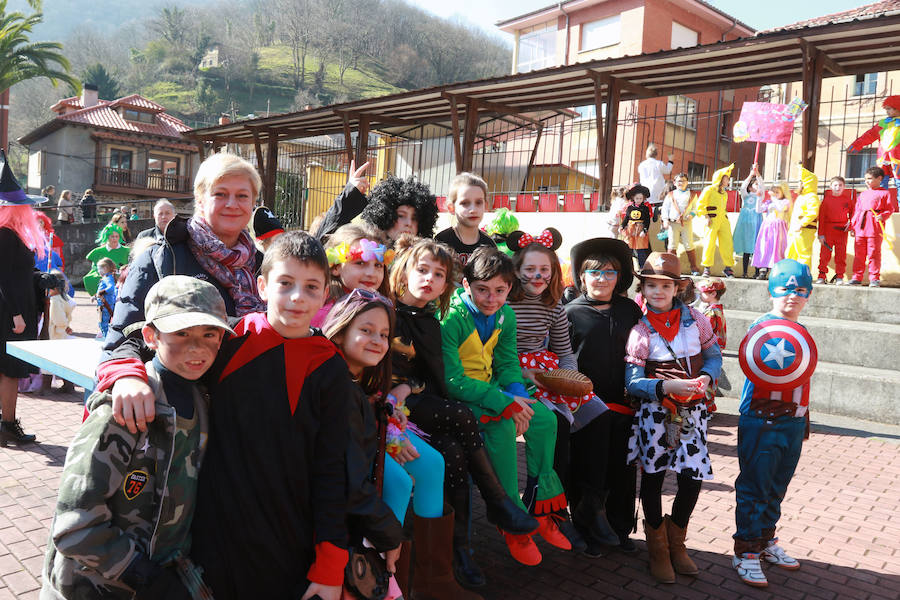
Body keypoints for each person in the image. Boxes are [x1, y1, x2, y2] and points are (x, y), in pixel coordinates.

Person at [42, 276, 234, 600]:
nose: (196, 347)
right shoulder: (124, 411)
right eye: (181, 333)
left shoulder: (202, 403)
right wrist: (145, 577)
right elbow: (75, 526)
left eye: (209, 333)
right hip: (96, 587)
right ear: (150, 335)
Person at [387, 235, 536, 589]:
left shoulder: (427, 317)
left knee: (454, 453)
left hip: (416, 400)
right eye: (422, 270)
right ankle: (497, 502)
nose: (429, 280)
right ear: (403, 271)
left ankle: (458, 552)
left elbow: (427, 374)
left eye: (439, 275)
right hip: (390, 407)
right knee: (463, 417)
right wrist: (401, 389)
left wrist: (409, 386)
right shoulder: (387, 309)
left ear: (447, 284)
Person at [97, 152, 266, 434]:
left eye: (242, 196)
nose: (232, 204)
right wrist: (126, 375)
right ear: (200, 199)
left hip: (245, 419)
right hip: (177, 421)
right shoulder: (160, 259)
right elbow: (124, 336)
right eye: (220, 194)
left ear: (253, 203)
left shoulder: (263, 268)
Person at [440, 247, 572, 567]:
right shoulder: (451, 317)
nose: (491, 298)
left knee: (544, 420)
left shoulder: (505, 314)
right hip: (459, 399)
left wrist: (518, 396)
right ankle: (509, 518)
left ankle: (542, 508)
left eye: (499, 291)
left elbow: (508, 361)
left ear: (509, 289)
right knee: (500, 424)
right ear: (466, 284)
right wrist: (505, 402)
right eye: (482, 290)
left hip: (494, 391)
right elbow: (451, 380)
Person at [506, 229, 619, 556]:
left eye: (545, 269)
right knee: (559, 422)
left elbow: (564, 351)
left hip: (549, 368)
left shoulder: (554, 306)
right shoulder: (507, 302)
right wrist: (528, 374)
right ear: (516, 270)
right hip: (516, 370)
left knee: (599, 415)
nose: (538, 276)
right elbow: (501, 350)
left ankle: (590, 503)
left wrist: (572, 378)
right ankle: (553, 508)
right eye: (530, 269)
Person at [624, 252, 722, 584]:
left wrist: (707, 377)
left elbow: (713, 355)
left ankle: (677, 543)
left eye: (665, 286)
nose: (657, 292)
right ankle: (658, 549)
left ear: (677, 288)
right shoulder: (639, 329)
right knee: (653, 479)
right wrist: (666, 385)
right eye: (651, 285)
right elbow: (633, 382)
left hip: (692, 413)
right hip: (656, 414)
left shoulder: (698, 319)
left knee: (692, 478)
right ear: (644, 288)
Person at [732, 259, 815, 588]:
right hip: (761, 418)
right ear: (771, 291)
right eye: (785, 289)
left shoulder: (802, 331)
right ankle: (746, 551)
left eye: (801, 290)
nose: (793, 296)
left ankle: (765, 541)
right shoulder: (763, 329)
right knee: (755, 486)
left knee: (777, 486)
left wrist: (802, 416)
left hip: (791, 421)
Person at [565, 238, 643, 553]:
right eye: (594, 272)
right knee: (586, 468)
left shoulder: (630, 310)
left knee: (621, 469)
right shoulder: (570, 313)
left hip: (624, 405)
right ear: (582, 277)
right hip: (585, 408)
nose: (602, 279)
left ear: (620, 277)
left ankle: (620, 528)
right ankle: (585, 529)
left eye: (610, 273)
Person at [0, 150, 47, 445]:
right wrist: (17, 314)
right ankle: (8, 424)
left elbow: (18, 275)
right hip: (9, 314)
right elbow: (3, 279)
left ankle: (5, 423)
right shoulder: (5, 234)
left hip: (13, 311)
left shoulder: (10, 234)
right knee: (10, 371)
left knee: (7, 370)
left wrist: (42, 280)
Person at [314, 223, 392, 328]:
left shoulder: (384, 308)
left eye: (378, 265)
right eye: (360, 263)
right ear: (336, 267)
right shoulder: (324, 314)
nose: (371, 273)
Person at [435, 172, 496, 268]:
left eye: (478, 202)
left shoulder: (489, 245)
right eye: (465, 203)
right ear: (451, 208)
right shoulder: (441, 241)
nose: (473, 210)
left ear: (486, 206)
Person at [849, 166, 895, 287]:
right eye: (866, 179)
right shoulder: (863, 194)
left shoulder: (885, 193)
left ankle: (874, 278)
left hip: (874, 228)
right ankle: (856, 277)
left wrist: (882, 216)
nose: (867, 181)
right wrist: (853, 226)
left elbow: (890, 209)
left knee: (874, 253)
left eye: (870, 179)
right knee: (859, 254)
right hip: (861, 228)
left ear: (879, 178)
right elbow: (857, 211)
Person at [847, 95, 900, 195]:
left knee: (899, 182)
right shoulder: (882, 123)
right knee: (881, 182)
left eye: (889, 109)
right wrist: (857, 145)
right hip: (883, 159)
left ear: (897, 108)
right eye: (886, 109)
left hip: (898, 158)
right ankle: (881, 204)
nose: (887, 111)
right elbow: (869, 135)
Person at [361, 175, 440, 241]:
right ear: (384, 216)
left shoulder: (424, 257)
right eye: (401, 216)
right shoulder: (368, 254)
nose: (409, 223)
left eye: (414, 218)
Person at [694, 277, 727, 413]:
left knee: (706, 377)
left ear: (713, 294)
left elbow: (703, 330)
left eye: (703, 292)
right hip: (713, 348)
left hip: (708, 349)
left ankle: (706, 408)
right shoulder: (714, 309)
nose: (699, 295)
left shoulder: (712, 312)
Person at [697, 164, 736, 278]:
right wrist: (706, 216)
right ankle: (707, 268)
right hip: (712, 220)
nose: (728, 180)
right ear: (720, 178)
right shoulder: (708, 189)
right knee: (709, 243)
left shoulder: (725, 193)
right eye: (726, 177)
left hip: (723, 220)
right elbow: (700, 204)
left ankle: (728, 268)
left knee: (727, 243)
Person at [816, 176, 854, 284]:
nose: (838, 187)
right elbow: (821, 218)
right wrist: (821, 234)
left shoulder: (848, 200)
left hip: (842, 232)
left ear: (844, 187)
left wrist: (851, 224)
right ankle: (822, 276)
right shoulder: (826, 201)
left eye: (840, 185)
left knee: (841, 255)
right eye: (835, 185)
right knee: (824, 255)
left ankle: (840, 276)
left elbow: (853, 214)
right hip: (828, 230)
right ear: (831, 187)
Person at [660, 173, 700, 275]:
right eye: (678, 181)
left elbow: (696, 208)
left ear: (687, 182)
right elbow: (665, 208)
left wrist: (692, 214)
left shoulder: (692, 194)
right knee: (672, 244)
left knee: (689, 244)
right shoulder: (671, 194)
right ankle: (669, 268)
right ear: (674, 183)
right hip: (673, 224)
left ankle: (694, 267)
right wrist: (665, 220)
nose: (680, 183)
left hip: (686, 223)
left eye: (683, 181)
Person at [752, 179, 791, 280]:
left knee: (777, 249)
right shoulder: (770, 201)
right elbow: (758, 209)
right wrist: (759, 198)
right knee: (765, 247)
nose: (775, 194)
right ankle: (763, 270)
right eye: (774, 192)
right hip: (767, 227)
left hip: (779, 228)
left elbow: (780, 208)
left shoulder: (785, 202)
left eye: (778, 192)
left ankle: (777, 271)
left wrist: (773, 197)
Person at [785, 165, 821, 270]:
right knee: (791, 252)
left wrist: (802, 224)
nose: (797, 184)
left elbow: (813, 212)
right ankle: (790, 272)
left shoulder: (812, 197)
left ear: (806, 184)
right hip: (795, 230)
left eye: (799, 182)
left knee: (803, 253)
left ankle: (803, 275)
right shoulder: (802, 197)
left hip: (804, 230)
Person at [47, 270, 75, 393]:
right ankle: (68, 384)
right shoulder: (65, 298)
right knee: (62, 359)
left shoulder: (55, 301)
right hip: (62, 332)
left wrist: (62, 326)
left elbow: (59, 319)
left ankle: (45, 386)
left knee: (49, 359)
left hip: (55, 333)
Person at [83, 224, 130, 297]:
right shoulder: (98, 251)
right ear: (107, 237)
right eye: (112, 236)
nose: (114, 239)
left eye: (116, 236)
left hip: (122, 280)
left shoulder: (127, 250)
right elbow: (91, 262)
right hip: (106, 279)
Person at [735, 167, 764, 278]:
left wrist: (758, 175)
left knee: (756, 247)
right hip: (746, 224)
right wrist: (751, 175)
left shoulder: (760, 197)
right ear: (750, 187)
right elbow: (743, 186)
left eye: (758, 184)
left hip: (756, 223)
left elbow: (762, 185)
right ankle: (745, 272)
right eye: (755, 184)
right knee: (747, 248)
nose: (758, 186)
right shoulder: (745, 196)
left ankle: (757, 272)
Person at [638, 144, 675, 223]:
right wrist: (670, 160)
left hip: (645, 190)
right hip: (657, 191)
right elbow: (668, 170)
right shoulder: (659, 163)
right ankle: (655, 214)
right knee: (659, 207)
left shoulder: (642, 165)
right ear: (656, 154)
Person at [620, 183, 652, 268]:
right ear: (633, 198)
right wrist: (622, 226)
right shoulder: (629, 208)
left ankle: (642, 266)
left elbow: (647, 221)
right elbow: (626, 218)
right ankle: (629, 266)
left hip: (640, 229)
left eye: (641, 198)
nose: (639, 200)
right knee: (629, 249)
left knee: (640, 249)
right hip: (631, 230)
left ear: (643, 199)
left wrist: (645, 230)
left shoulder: (645, 208)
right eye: (637, 198)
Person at [95, 257, 118, 339]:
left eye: (99, 269)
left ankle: (107, 339)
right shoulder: (108, 277)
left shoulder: (108, 278)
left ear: (105, 268)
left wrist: (102, 292)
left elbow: (111, 288)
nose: (98, 271)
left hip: (105, 305)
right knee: (104, 323)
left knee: (103, 323)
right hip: (104, 304)